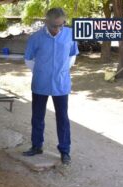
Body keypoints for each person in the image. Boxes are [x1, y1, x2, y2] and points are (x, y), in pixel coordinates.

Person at [23, 8, 79, 165]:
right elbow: (28, 59)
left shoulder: (70, 35)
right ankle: (36, 146)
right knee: (38, 117)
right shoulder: (36, 38)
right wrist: (42, 72)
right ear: (46, 22)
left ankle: (64, 150)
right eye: (54, 26)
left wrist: (61, 72)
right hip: (40, 83)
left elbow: (72, 55)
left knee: (63, 118)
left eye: (61, 25)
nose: (57, 29)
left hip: (61, 85)